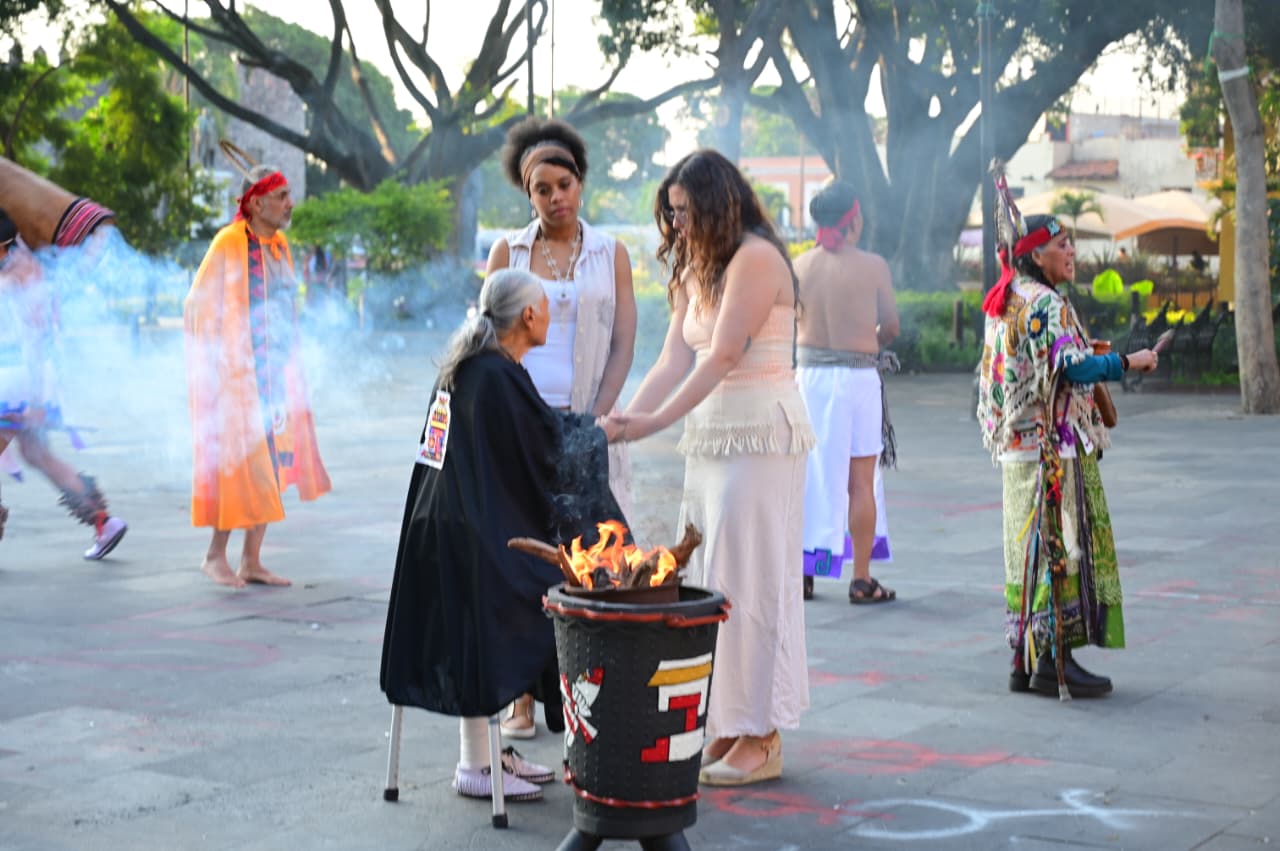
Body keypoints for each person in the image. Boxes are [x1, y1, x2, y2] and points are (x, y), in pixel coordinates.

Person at [607, 150, 813, 786]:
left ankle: (761, 733)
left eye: (685, 211)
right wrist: (621, 419)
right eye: (671, 213)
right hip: (713, 439)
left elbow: (722, 355)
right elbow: (673, 359)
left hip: (760, 435)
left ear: (718, 204)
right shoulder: (700, 264)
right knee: (711, 579)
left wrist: (648, 425)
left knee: (752, 580)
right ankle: (727, 722)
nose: (677, 224)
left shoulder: (756, 257)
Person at [380, 268, 624, 804]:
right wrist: (599, 434)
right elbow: (545, 450)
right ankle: (476, 764)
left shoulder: (470, 366)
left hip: (435, 535)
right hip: (472, 545)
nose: (551, 315)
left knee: (544, 585)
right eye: (547, 307)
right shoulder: (493, 374)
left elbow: (524, 442)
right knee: (560, 597)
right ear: (529, 315)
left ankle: (490, 753)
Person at [977, 171, 1159, 699]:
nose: (1072, 252)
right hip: (1052, 449)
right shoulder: (1046, 303)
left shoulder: (1006, 298)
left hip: (1018, 448)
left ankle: (1025, 659)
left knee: (1028, 549)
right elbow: (1071, 367)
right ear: (1037, 254)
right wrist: (1127, 361)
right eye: (1062, 245)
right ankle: (1054, 661)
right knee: (1060, 546)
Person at [486, 116, 637, 739]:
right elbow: (491, 339)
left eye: (564, 185)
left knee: (591, 556)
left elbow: (623, 341)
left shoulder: (611, 253)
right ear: (528, 194)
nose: (556, 198)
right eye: (542, 189)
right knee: (522, 557)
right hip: (521, 425)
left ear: (581, 183)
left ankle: (587, 693)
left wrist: (597, 418)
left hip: (586, 425)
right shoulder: (509, 253)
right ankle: (520, 697)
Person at [184, 165, 331, 588]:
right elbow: (196, 303)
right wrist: (225, 355)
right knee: (239, 466)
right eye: (282, 196)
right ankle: (215, 556)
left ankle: (251, 560)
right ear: (257, 203)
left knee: (272, 463)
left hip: (275, 373)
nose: (290, 204)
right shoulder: (229, 242)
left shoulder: (280, 245)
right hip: (238, 378)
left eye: (288, 195)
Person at [792, 181, 901, 604]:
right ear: (853, 221)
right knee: (860, 482)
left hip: (809, 380)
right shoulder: (873, 266)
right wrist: (869, 340)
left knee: (808, 476)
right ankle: (861, 579)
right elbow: (891, 327)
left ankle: (804, 572)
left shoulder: (798, 266)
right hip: (857, 379)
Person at [0, 209, 128, 558]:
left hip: (18, 381)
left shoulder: (20, 271)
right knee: (36, 454)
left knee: (35, 453)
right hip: (24, 379)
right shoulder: (20, 266)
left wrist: (35, 397)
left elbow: (34, 336)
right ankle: (104, 522)